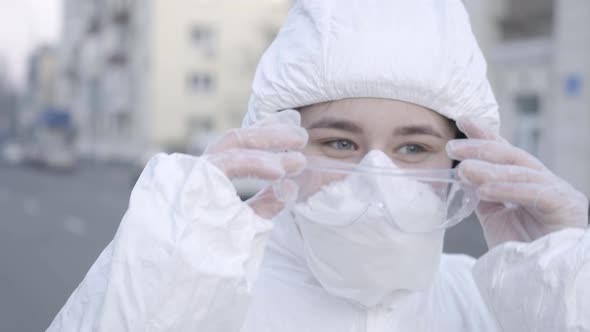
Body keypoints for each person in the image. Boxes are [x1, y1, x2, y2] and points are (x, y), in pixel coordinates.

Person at [49, 0, 590, 331]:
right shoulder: (208, 292)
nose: (376, 181)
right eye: (339, 144)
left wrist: (565, 282)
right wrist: (161, 285)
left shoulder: (491, 303)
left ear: (462, 166)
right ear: (280, 148)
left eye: (412, 149)